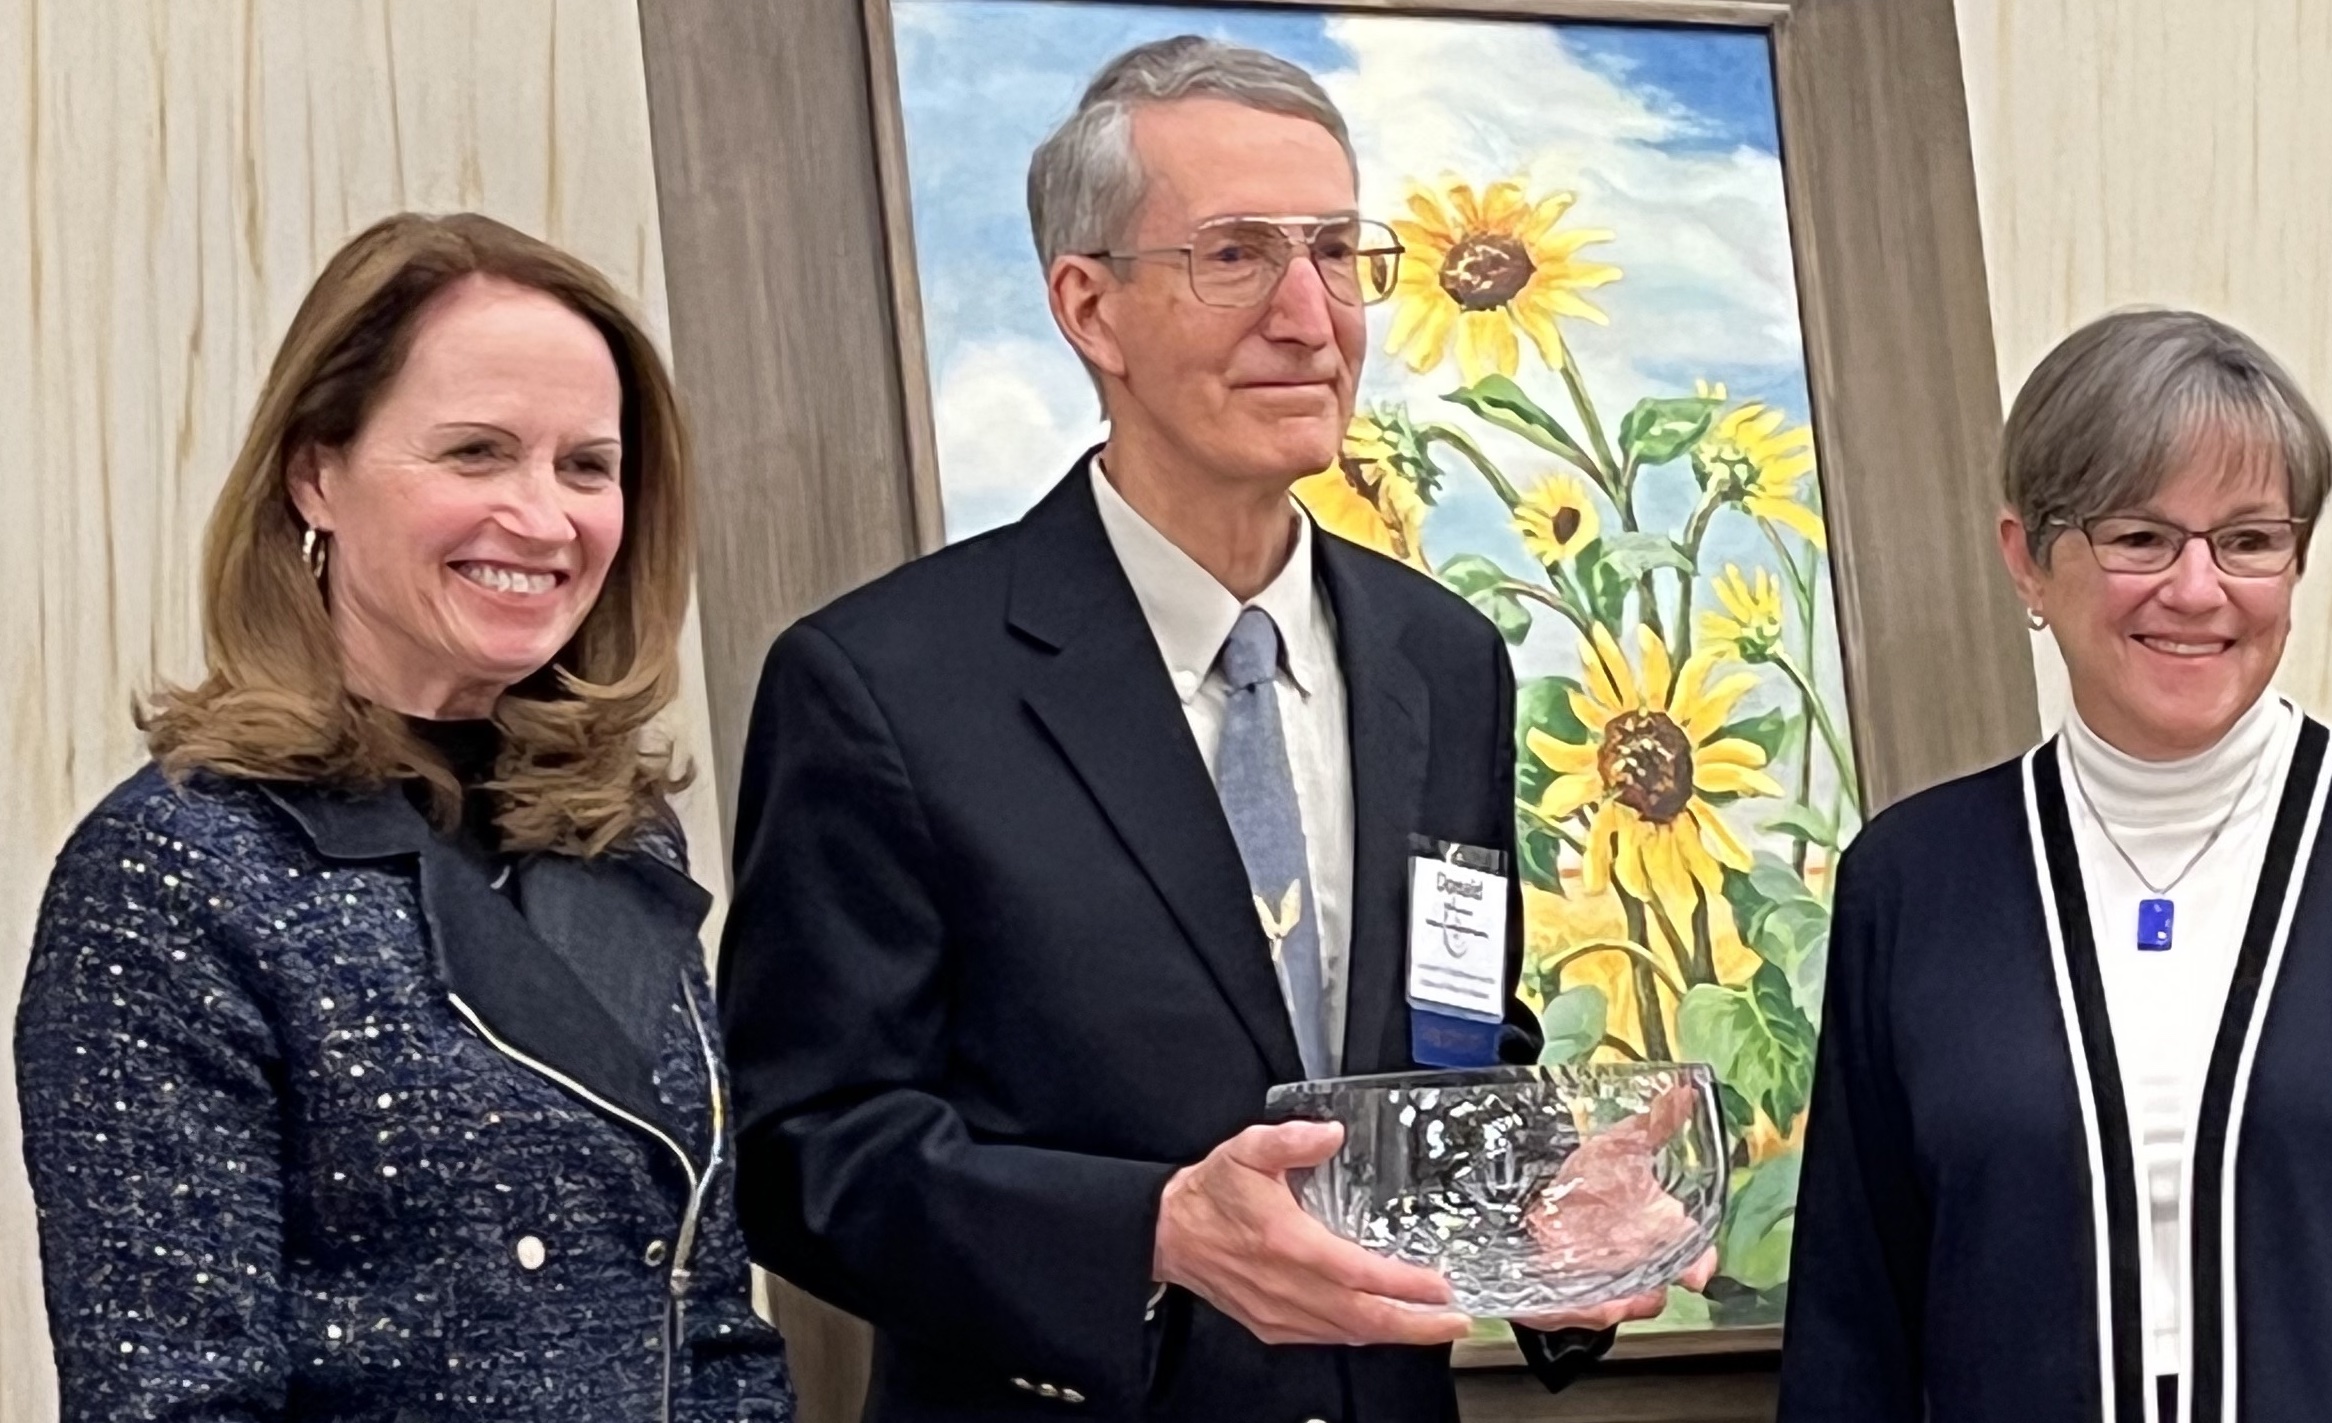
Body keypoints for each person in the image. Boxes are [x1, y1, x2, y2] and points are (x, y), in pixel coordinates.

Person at [718, 36, 1675, 1422]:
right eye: (1233, 255)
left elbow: (1453, 1038)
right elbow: (807, 1150)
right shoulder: (881, 683)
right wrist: (1153, 1228)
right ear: (1087, 307)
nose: (1307, 314)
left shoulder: (1441, 659)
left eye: (1337, 253)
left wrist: (1541, 1204)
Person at [1778, 308, 2332, 1423]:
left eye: (2249, 539)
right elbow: (1853, 1324)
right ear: (2026, 558)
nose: (2196, 587)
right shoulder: (1915, 882)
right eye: (2139, 537)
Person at [14, 212, 789, 1420]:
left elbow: (715, 1326)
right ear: (315, 471)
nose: (544, 518)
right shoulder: (176, 868)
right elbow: (172, 1396)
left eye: (586, 465)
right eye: (477, 452)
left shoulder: (619, 831)